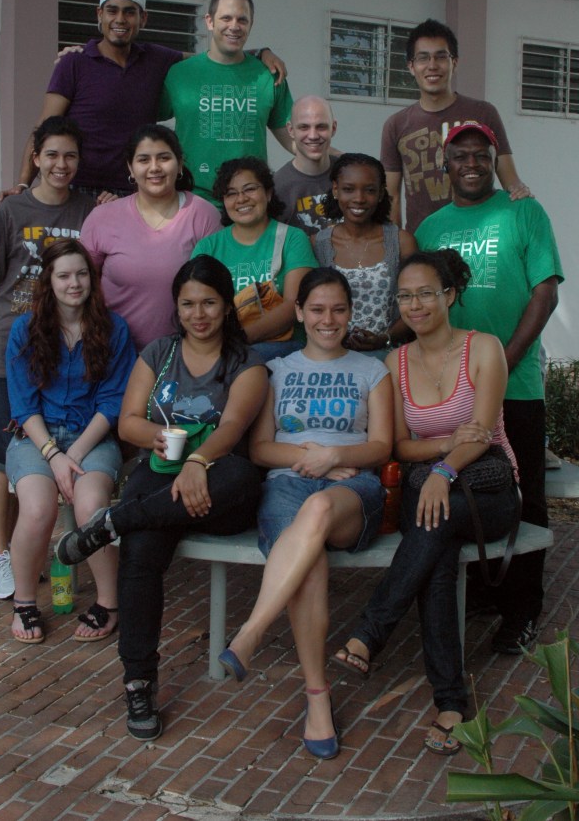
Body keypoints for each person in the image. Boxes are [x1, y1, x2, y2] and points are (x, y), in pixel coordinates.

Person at [54, 256, 268, 741]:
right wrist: (157, 436)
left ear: (227, 306)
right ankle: (138, 682)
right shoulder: (159, 353)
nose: (199, 314)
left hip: (216, 488)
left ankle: (113, 521)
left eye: (209, 303)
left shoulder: (245, 362)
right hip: (161, 475)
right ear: (176, 306)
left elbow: (233, 427)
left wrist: (198, 461)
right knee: (141, 553)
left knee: (241, 477)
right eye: (188, 304)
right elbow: (129, 419)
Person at [335, 250, 521, 757]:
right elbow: (399, 445)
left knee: (435, 523)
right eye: (405, 296)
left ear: (450, 295)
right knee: (435, 547)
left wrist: (443, 471)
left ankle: (372, 632)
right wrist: (441, 450)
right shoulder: (394, 362)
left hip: (488, 492)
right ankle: (451, 705)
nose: (414, 305)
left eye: (425, 294)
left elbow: (481, 434)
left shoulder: (484, 348)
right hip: (433, 496)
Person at [217, 267, 393, 759]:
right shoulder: (276, 370)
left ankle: (250, 633)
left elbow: (382, 445)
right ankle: (318, 698)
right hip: (287, 484)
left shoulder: (372, 371)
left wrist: (335, 457)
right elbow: (260, 449)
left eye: (338, 309)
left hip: (351, 489)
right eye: (316, 309)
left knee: (317, 509)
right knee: (308, 560)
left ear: (351, 313)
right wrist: (312, 457)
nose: (327, 319)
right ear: (298, 313)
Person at [415, 122, 563, 653]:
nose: (472, 164)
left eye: (482, 155)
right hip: (450, 393)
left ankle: (522, 608)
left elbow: (545, 293)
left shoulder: (525, 213)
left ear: (494, 161)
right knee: (468, 490)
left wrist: (502, 363)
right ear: (446, 165)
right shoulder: (430, 228)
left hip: (515, 387)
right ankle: (481, 587)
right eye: (461, 156)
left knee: (524, 496)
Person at [0, 0, 286, 202]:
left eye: (129, 12)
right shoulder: (74, 63)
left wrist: (259, 53)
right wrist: (24, 183)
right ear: (99, 14)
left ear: (143, 19)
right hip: (78, 189)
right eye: (112, 10)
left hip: (135, 190)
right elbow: (44, 128)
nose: (120, 19)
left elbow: (214, 58)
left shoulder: (156, 59)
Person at [0, 117, 96, 600]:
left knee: (40, 453)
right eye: (52, 155)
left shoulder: (89, 210)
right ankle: (0, 552)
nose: (61, 164)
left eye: (71, 156)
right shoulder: (10, 211)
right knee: (7, 456)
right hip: (9, 348)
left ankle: (30, 548)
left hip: (64, 352)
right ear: (36, 158)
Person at [5, 239, 135, 643]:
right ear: (48, 280)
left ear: (92, 279)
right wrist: (54, 456)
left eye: (81, 274)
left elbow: (113, 403)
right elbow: (23, 406)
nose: (74, 283)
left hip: (91, 438)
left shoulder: (114, 329)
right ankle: (25, 602)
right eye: (63, 275)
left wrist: (73, 454)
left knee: (91, 507)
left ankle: (109, 603)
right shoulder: (24, 330)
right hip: (36, 438)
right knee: (37, 509)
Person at [380, 18, 531, 234]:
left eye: (441, 56)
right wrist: (394, 245)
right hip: (424, 241)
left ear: (455, 63)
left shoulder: (483, 113)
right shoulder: (395, 125)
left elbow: (511, 182)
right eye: (423, 58)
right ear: (411, 67)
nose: (432, 65)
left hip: (479, 236)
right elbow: (391, 197)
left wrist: (522, 196)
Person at [80, 124, 220, 350]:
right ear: (130, 167)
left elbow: (219, 287)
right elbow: (81, 284)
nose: (154, 167)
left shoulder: (203, 215)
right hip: (115, 353)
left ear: (180, 163)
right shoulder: (102, 217)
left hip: (185, 354)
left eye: (164, 158)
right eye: (144, 160)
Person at [158, 0, 295, 205]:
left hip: (248, 202)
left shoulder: (268, 76)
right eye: (226, 18)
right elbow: (144, 120)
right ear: (209, 21)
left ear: (251, 24)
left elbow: (295, 140)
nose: (234, 26)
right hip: (192, 200)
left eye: (242, 19)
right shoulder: (179, 74)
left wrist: (335, 158)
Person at [192, 157, 318, 361]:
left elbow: (294, 305)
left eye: (249, 189)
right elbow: (196, 305)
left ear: (268, 193)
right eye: (231, 193)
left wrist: (237, 340)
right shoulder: (207, 247)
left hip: (284, 348)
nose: (241, 199)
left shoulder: (292, 238)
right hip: (223, 349)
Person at [314, 153, 416, 355]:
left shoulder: (402, 242)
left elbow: (416, 303)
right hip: (332, 358)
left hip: (388, 356)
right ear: (335, 190)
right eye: (348, 189)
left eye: (369, 190)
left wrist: (384, 338)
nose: (359, 199)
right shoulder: (317, 244)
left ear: (381, 193)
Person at [275, 95, 338, 235]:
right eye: (304, 127)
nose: (313, 135)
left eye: (321, 127)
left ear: (333, 128)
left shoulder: (350, 175)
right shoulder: (277, 188)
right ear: (290, 130)